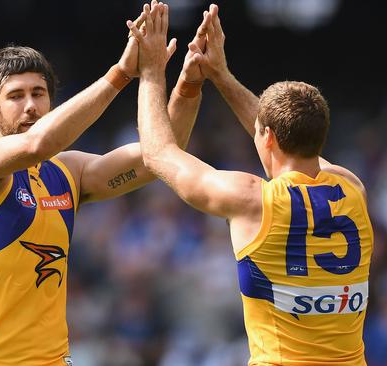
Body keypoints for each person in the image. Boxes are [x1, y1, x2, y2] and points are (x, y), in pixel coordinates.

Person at [0, 2, 210, 364]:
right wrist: (120, 74)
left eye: (39, 93)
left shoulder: (66, 172)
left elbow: (159, 154)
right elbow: (38, 144)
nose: (31, 106)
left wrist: (185, 83)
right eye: (16, 96)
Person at [130, 3, 374, 365]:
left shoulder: (250, 199)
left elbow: (157, 153)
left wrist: (151, 72)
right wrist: (222, 76)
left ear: (268, 137)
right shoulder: (352, 187)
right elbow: (283, 136)